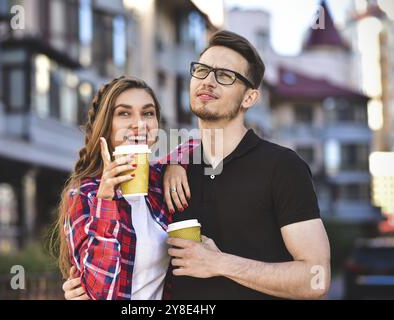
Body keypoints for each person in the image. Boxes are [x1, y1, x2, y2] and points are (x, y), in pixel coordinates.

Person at [63, 30, 331, 300]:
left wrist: (220, 263)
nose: (208, 81)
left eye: (225, 75)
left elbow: (316, 279)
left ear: (249, 97)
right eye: (202, 71)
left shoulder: (282, 167)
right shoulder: (161, 179)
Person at [54, 76, 191, 300]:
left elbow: (206, 143)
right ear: (106, 126)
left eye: (148, 113)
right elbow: (99, 292)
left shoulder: (161, 182)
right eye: (124, 113)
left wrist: (176, 161)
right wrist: (105, 202)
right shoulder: (84, 195)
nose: (139, 124)